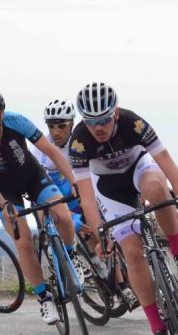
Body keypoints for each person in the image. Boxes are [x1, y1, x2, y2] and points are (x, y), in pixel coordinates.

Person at [69, 82, 178, 335]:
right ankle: (158, 330)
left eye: (104, 120)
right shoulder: (78, 142)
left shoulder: (133, 123)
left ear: (115, 113)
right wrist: (102, 235)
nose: (98, 127)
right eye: (91, 122)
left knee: (157, 189)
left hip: (139, 169)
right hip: (109, 189)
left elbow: (170, 166)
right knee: (131, 251)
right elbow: (88, 199)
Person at [0, 88, 82, 325]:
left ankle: (70, 255)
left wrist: (73, 180)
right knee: (24, 242)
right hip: (4, 193)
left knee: (63, 216)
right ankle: (44, 298)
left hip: (32, 177)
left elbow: (51, 151)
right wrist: (4, 204)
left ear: (1, 113)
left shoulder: (17, 122)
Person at [32, 98, 138, 308]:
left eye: (61, 125)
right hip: (55, 199)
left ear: (72, 123)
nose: (55, 131)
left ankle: (121, 284)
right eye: (51, 126)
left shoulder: (80, 142)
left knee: (99, 233)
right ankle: (71, 268)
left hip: (81, 194)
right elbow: (39, 191)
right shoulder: (41, 152)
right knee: (66, 226)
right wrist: (71, 218)